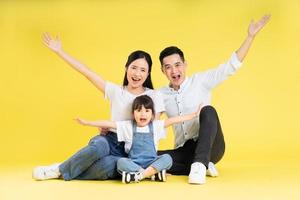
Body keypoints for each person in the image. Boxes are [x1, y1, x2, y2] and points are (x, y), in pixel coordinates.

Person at [32, 33, 165, 181]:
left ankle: (63, 168)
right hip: (110, 139)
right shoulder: (116, 91)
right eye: (134, 67)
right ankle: (58, 170)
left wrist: (151, 164)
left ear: (148, 74)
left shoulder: (154, 96)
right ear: (126, 68)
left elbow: (154, 132)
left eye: (142, 70)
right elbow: (87, 73)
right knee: (98, 147)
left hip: (131, 151)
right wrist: (60, 51)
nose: (137, 73)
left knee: (108, 166)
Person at [157, 15, 271, 184]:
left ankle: (199, 166)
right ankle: (200, 164)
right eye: (168, 67)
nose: (174, 71)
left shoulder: (201, 81)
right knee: (152, 158)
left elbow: (230, 66)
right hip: (185, 150)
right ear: (163, 71)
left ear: (185, 64)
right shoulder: (160, 95)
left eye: (177, 64)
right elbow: (148, 121)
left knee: (208, 110)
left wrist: (250, 36)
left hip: (213, 146)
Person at [75, 95, 202, 184]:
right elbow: (109, 123)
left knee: (167, 158)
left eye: (147, 111)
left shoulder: (156, 127)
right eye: (139, 110)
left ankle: (139, 176)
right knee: (120, 162)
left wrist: (194, 115)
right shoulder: (128, 127)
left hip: (152, 162)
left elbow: (173, 120)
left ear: (152, 115)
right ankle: (150, 174)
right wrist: (87, 123)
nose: (143, 114)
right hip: (133, 164)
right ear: (133, 114)